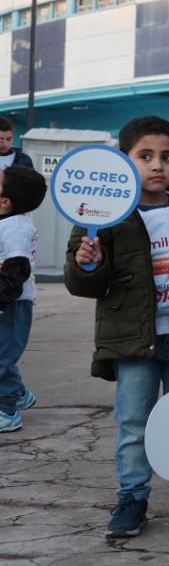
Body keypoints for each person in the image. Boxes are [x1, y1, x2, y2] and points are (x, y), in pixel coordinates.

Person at [65, 117, 169, 537]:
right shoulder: (105, 214)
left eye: (167, 158)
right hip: (134, 343)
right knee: (134, 425)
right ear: (124, 161)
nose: (157, 166)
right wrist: (88, 262)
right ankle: (131, 499)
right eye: (145, 156)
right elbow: (82, 284)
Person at [0, 166, 47, 433]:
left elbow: (17, 268)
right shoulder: (6, 220)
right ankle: (18, 394)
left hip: (12, 304)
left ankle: (7, 411)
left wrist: (1, 300)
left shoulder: (15, 227)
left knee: (1, 357)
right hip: (7, 301)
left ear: (5, 201)